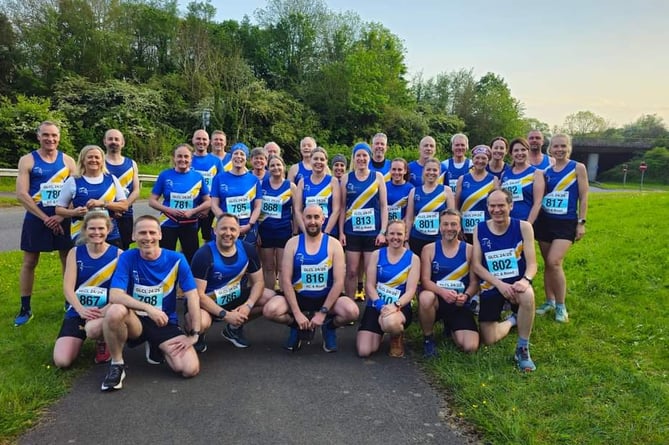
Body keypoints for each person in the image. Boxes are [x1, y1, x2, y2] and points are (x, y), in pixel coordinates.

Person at [100, 215, 202, 391]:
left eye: (152, 232)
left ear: (160, 234)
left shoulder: (176, 259)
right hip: (136, 321)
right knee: (115, 311)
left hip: (163, 321)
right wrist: (148, 308)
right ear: (134, 236)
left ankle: (155, 344)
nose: (147, 237)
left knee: (188, 369)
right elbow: (115, 295)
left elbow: (192, 296)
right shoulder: (127, 257)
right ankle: (117, 365)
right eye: (142, 233)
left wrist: (195, 334)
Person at [263, 205, 359, 352]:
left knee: (352, 312)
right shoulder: (292, 243)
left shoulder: (334, 244)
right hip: (299, 296)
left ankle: (329, 327)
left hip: (325, 297)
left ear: (323, 219)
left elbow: (339, 282)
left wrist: (322, 313)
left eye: (316, 217)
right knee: (270, 310)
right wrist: (296, 314)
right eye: (308, 217)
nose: (312, 221)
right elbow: (286, 280)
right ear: (303, 219)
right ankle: (296, 326)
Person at [15, 121, 77, 326]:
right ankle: (25, 308)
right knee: (30, 262)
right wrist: (45, 218)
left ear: (59, 137)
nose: (50, 139)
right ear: (38, 136)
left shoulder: (68, 161)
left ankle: (69, 302)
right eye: (46, 135)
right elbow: (22, 194)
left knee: (67, 261)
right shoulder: (27, 160)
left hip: (63, 218)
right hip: (36, 218)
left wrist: (60, 217)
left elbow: (75, 191)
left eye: (54, 135)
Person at [471, 189, 538, 372]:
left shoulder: (524, 227)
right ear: (487, 207)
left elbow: (533, 264)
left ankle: (522, 348)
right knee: (489, 339)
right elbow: (477, 266)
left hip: (516, 285)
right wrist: (499, 284)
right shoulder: (480, 228)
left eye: (501, 205)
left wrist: (525, 280)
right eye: (492, 206)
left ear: (511, 205)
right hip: (492, 286)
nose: (497, 209)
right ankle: (513, 320)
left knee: (527, 295)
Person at [189, 214, 276, 352]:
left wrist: (248, 306)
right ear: (215, 230)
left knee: (270, 297)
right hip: (207, 303)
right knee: (201, 322)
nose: (228, 233)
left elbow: (259, 282)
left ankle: (233, 329)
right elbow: (198, 295)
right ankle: (197, 334)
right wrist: (226, 315)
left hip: (233, 297)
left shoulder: (247, 249)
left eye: (232, 229)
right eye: (223, 229)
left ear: (239, 232)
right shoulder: (203, 255)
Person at [53, 211, 122, 368]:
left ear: (108, 230)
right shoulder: (75, 252)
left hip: (103, 311)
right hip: (79, 309)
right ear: (84, 230)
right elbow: (68, 288)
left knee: (99, 326)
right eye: (92, 229)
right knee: (62, 361)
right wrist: (81, 310)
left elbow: (121, 292)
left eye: (100, 228)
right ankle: (78, 335)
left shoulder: (119, 255)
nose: (96, 232)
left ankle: (103, 340)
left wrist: (104, 311)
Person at [534, 134, 589, 323]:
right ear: (550, 149)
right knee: (547, 264)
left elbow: (584, 195)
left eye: (563, 146)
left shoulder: (577, 167)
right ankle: (549, 300)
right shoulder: (546, 171)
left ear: (569, 148)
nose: (559, 149)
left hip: (566, 223)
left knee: (555, 262)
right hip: (546, 222)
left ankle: (561, 305)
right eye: (556, 146)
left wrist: (581, 222)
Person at [418, 209, 479, 357]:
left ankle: (451, 326)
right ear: (440, 226)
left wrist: (466, 295)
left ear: (460, 227)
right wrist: (443, 293)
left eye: (454, 224)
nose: (449, 228)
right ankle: (428, 338)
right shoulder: (429, 249)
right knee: (425, 297)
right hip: (437, 301)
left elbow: (474, 282)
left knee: (470, 346)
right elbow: (425, 281)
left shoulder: (470, 250)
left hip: (459, 303)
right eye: (445, 224)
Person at [356, 220, 419, 358]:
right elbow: (370, 285)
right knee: (364, 350)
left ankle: (396, 336)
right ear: (386, 235)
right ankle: (380, 328)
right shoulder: (376, 255)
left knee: (390, 322)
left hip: (399, 308)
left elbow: (411, 291)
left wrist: (395, 305)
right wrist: (379, 304)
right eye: (392, 233)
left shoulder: (413, 259)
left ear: (405, 236)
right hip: (377, 304)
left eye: (399, 234)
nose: (395, 237)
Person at [339, 142, 388, 302]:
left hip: (372, 233)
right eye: (358, 155)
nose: (361, 158)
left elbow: (383, 206)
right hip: (351, 232)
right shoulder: (347, 178)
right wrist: (341, 232)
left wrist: (382, 232)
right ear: (354, 158)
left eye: (364, 155)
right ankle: (349, 305)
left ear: (369, 157)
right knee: (352, 271)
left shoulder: (378, 177)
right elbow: (341, 207)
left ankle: (370, 308)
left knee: (370, 272)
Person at [149, 143, 211, 263]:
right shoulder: (165, 175)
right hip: (167, 222)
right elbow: (152, 201)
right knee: (165, 258)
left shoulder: (198, 177)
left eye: (186, 156)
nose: (183, 159)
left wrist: (193, 211)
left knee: (191, 258)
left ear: (191, 159)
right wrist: (169, 210)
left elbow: (208, 201)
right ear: (174, 158)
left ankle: (187, 281)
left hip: (190, 223)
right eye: (179, 156)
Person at [56, 145, 128, 247]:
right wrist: (74, 212)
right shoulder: (73, 181)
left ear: (102, 160)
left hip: (109, 232)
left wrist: (103, 203)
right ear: (83, 160)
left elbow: (124, 205)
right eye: (89, 157)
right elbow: (59, 210)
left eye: (97, 157)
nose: (93, 160)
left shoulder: (111, 179)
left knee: (112, 262)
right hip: (81, 232)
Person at [210, 142, 262, 246]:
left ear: (246, 158)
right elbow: (214, 205)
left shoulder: (254, 180)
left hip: (247, 227)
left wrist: (250, 224)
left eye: (242, 154)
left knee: (246, 258)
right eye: (236, 154)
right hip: (225, 227)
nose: (239, 156)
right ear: (231, 157)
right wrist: (227, 222)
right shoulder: (219, 178)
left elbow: (258, 206)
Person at [259, 155, 296, 291]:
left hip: (283, 231)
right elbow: (257, 208)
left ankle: (283, 294)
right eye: (272, 165)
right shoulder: (262, 184)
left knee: (282, 267)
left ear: (283, 167)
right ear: (268, 168)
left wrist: (295, 231)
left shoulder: (291, 186)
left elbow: (297, 212)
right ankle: (269, 293)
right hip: (265, 231)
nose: (276, 168)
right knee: (268, 266)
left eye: (278, 165)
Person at [406, 158, 455, 256]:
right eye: (428, 170)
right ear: (423, 171)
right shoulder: (414, 191)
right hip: (417, 238)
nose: (431, 172)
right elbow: (409, 219)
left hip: (438, 239)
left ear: (439, 172)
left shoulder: (446, 190)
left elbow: (452, 218)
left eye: (435, 170)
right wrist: (406, 240)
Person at [104, 129, 140, 250]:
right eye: (110, 139)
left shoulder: (131, 163)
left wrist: (123, 206)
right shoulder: (99, 162)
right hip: (105, 214)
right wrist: (112, 208)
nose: (113, 142)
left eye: (116, 139)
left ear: (122, 143)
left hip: (125, 214)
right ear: (104, 142)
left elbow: (136, 190)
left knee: (124, 248)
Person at [455, 145, 498, 243]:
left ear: (488, 160)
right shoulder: (462, 179)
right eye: (477, 157)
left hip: (486, 228)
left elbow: (496, 206)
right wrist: (457, 226)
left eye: (484, 158)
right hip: (465, 229)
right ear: (472, 159)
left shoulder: (494, 180)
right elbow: (456, 205)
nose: (480, 161)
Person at [294, 147, 341, 238]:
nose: (318, 162)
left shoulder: (333, 181)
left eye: (322, 159)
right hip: (308, 231)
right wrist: (305, 231)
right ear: (310, 160)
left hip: (328, 232)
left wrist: (326, 232)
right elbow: (297, 210)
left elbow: (336, 210)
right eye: (315, 159)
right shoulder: (302, 182)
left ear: (326, 162)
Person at [500, 137, 544, 223]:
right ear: (511, 154)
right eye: (516, 150)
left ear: (528, 151)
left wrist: (528, 224)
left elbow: (538, 203)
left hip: (527, 222)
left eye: (523, 150)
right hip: (507, 223)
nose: (520, 153)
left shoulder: (536, 173)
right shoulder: (504, 174)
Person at [191, 129, 223, 242]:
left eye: (204, 139)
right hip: (190, 206)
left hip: (210, 208)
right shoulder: (187, 158)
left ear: (209, 142)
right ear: (193, 140)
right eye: (198, 138)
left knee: (209, 240)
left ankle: (206, 259)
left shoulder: (216, 161)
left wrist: (208, 206)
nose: (201, 141)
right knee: (187, 242)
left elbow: (220, 185)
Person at [386, 158, 414, 222]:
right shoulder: (384, 186)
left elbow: (411, 213)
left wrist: (400, 224)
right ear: (390, 170)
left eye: (400, 170)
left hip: (402, 226)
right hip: (386, 225)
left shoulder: (411, 189)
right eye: (394, 169)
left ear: (405, 171)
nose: (396, 172)